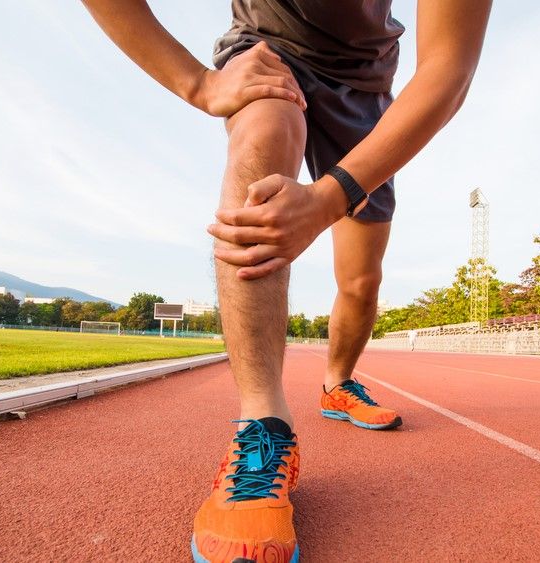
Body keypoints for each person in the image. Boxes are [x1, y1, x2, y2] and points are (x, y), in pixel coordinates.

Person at [81, 1, 492, 560]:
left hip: (365, 93)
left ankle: (338, 384)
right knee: (262, 142)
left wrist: (331, 197)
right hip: (272, 53)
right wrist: (198, 84)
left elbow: (449, 66)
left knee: (361, 280)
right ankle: (262, 428)